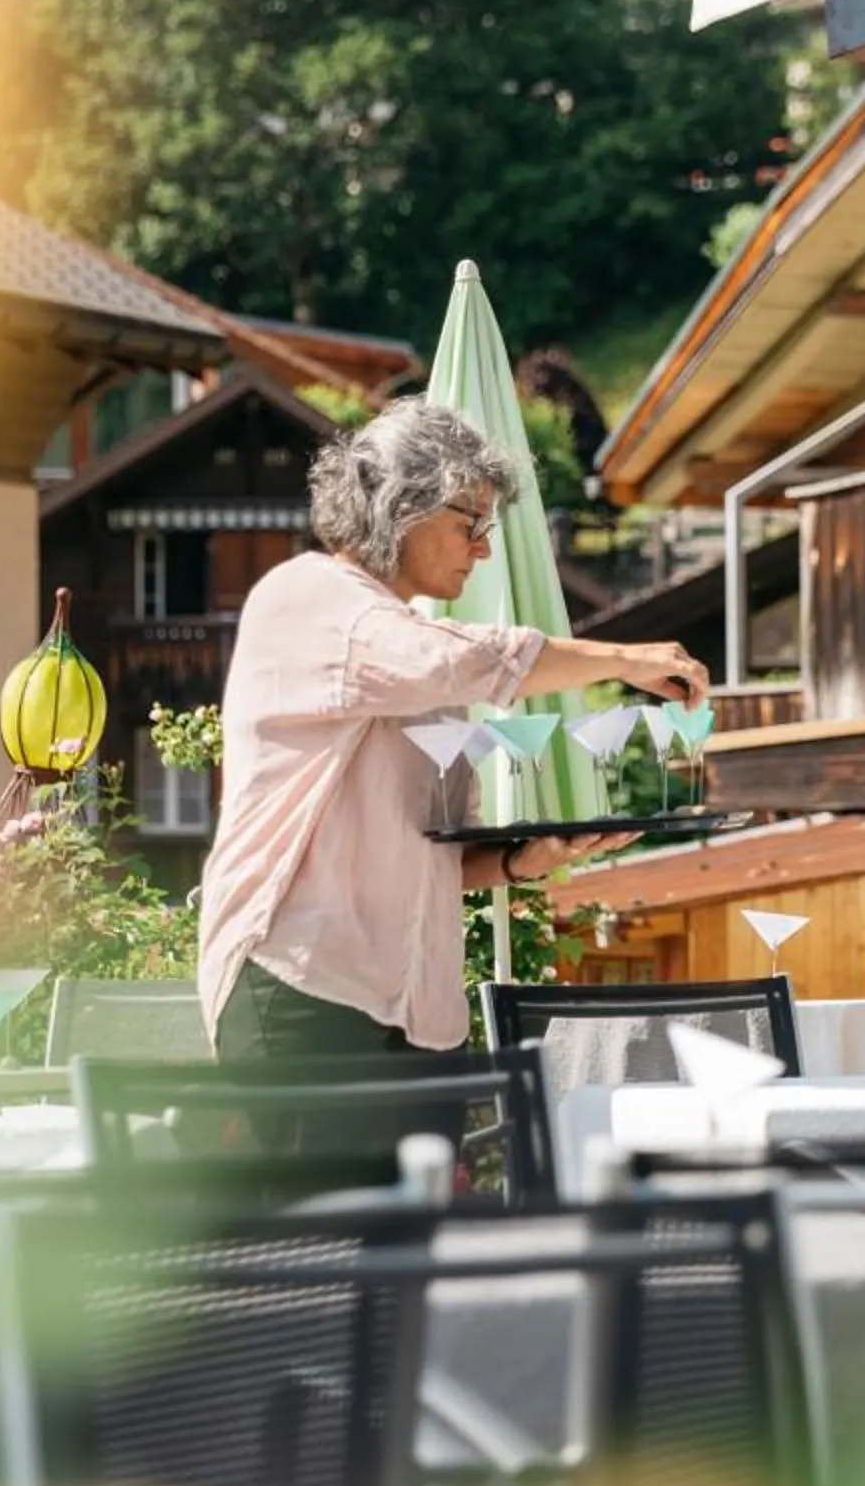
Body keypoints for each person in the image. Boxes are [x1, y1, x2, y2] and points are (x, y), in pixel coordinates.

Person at [195, 398, 709, 1059]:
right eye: (470, 521)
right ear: (400, 505)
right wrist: (624, 659)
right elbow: (450, 660)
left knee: (434, 1170)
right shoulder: (308, 598)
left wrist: (523, 862)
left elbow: (437, 854)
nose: (484, 548)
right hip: (300, 983)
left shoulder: (415, 652)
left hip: (419, 1009)